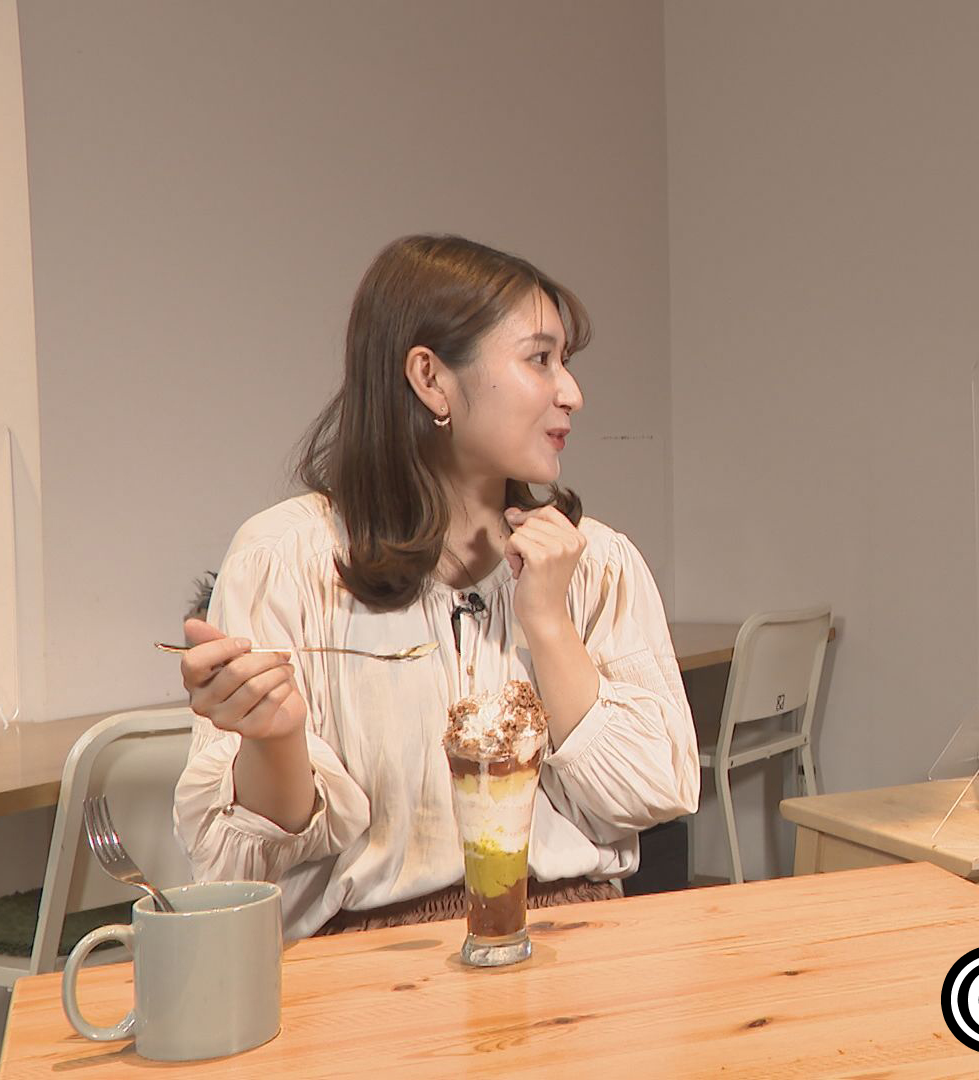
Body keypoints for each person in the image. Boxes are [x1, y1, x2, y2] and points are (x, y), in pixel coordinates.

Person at [173, 234, 699, 939]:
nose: (572, 393)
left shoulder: (597, 562)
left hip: (578, 940)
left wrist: (548, 624)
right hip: (374, 959)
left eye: (565, 363)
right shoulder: (286, 560)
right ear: (430, 378)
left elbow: (652, 793)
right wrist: (275, 738)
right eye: (540, 359)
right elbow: (236, 863)